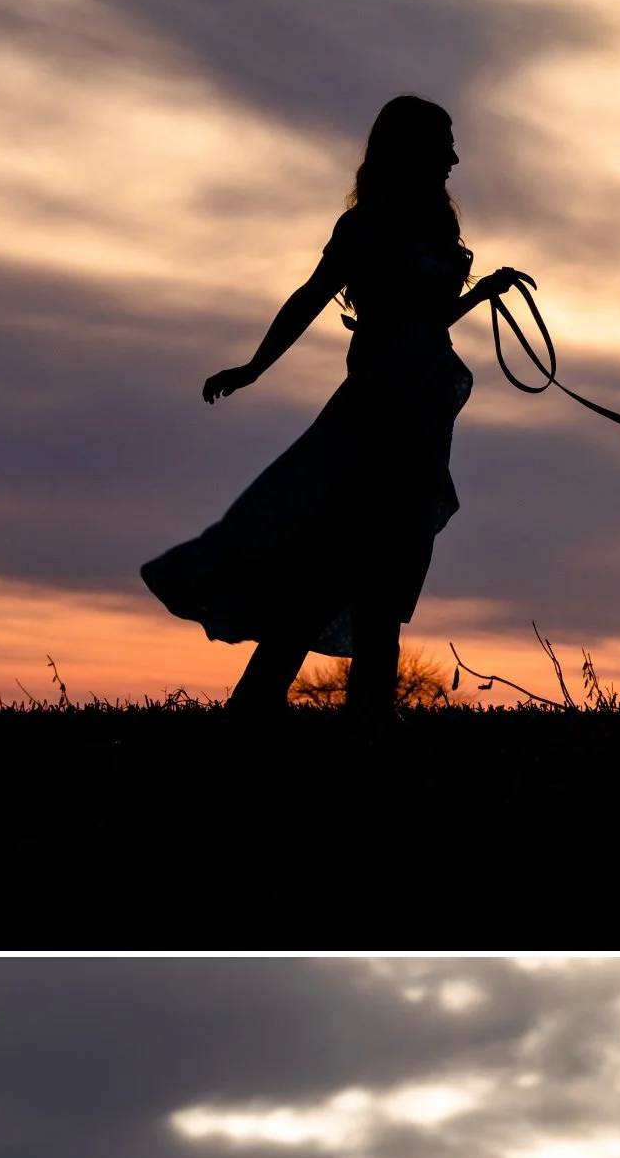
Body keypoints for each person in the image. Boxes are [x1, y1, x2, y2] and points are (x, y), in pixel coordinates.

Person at [143, 97, 528, 727]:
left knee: (375, 561)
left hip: (423, 413)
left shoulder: (433, 225)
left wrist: (480, 296)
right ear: (411, 149)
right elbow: (312, 297)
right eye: (444, 143)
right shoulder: (367, 226)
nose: (456, 156)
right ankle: (315, 708)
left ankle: (330, 708)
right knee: (348, 559)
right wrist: (253, 368)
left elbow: (422, 324)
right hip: (378, 411)